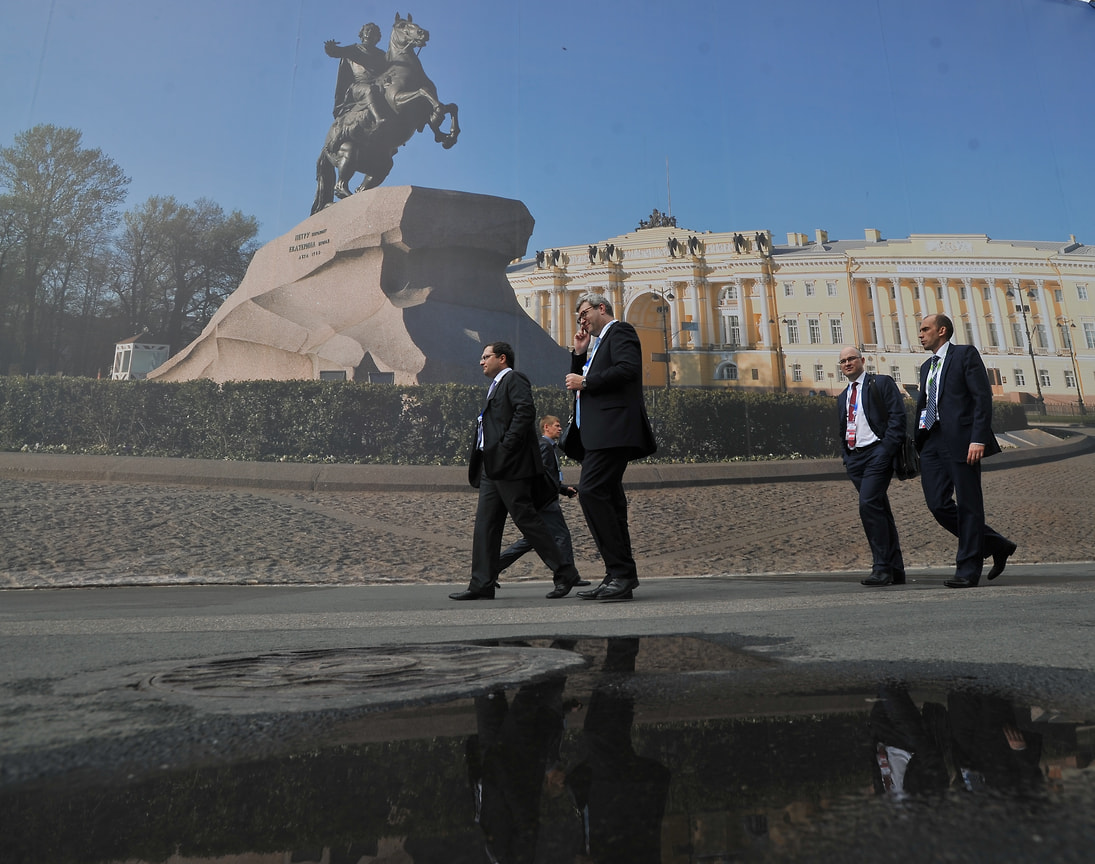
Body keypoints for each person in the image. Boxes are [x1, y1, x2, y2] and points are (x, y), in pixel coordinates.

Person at [450, 343, 584, 601]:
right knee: (485, 526)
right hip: (492, 467)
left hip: (509, 466)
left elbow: (525, 413)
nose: (481, 362)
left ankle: (565, 572)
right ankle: (482, 584)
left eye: (485, 356)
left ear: (502, 358)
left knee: (528, 522)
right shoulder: (495, 386)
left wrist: (505, 447)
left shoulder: (514, 378)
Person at [564, 293, 657, 601]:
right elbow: (586, 379)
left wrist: (586, 382)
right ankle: (618, 576)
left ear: (601, 308)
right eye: (579, 318)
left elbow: (627, 370)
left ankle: (621, 572)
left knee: (590, 492)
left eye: (584, 314)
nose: (582, 321)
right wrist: (579, 354)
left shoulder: (621, 331)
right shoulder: (598, 342)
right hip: (599, 434)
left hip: (613, 431)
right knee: (610, 501)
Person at [915, 314, 1016, 588]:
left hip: (963, 441)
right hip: (932, 442)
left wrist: (978, 438)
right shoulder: (926, 367)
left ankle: (968, 569)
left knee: (970, 505)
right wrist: (919, 440)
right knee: (937, 503)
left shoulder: (964, 355)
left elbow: (981, 398)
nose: (920, 334)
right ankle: (995, 543)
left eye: (925, 329)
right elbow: (925, 405)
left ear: (942, 331)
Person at [837, 347, 908, 587]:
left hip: (878, 453)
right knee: (880, 510)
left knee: (868, 505)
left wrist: (886, 450)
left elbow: (898, 417)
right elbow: (843, 427)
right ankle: (896, 570)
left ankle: (881, 568)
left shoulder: (881, 383)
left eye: (851, 359)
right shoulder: (842, 397)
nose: (847, 363)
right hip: (855, 459)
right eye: (843, 361)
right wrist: (847, 456)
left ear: (862, 361)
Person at [493, 415, 589, 588]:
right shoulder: (544, 447)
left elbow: (548, 476)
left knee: (530, 540)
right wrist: (554, 492)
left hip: (544, 502)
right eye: (557, 426)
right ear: (546, 427)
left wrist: (563, 489)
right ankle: (568, 576)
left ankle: (491, 570)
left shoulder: (547, 447)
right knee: (562, 536)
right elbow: (542, 475)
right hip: (546, 504)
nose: (560, 429)